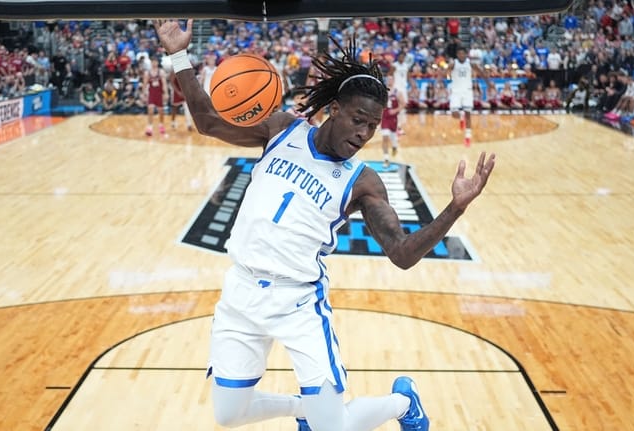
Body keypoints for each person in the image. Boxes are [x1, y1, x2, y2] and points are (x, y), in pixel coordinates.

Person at [155, 19, 495, 431]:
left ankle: (403, 404)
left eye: (372, 125)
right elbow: (208, 121)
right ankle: (306, 410)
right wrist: (178, 54)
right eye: (358, 119)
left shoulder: (362, 182)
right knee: (229, 414)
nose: (364, 133)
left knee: (333, 428)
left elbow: (402, 254)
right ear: (334, 108)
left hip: (299, 302)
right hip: (241, 292)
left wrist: (454, 208)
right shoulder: (282, 130)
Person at [446, 46, 490, 145]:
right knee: (454, 114)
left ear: (466, 54)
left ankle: (467, 137)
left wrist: (488, 83)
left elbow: (481, 73)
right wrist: (445, 76)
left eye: (463, 53)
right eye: (460, 54)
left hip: (467, 91)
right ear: (457, 55)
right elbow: (446, 72)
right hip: (456, 91)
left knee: (468, 114)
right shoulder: (453, 64)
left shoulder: (471, 64)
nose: (461, 55)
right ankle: (461, 116)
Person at [381, 74, 407, 169]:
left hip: (393, 118)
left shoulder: (397, 92)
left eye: (391, 79)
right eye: (388, 79)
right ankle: (386, 158)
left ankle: (395, 146)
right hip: (384, 117)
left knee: (393, 138)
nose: (389, 81)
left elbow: (403, 103)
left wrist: (395, 110)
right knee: (385, 137)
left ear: (394, 81)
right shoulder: (383, 92)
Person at [143, 57, 169, 136]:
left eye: (155, 62)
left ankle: (161, 125)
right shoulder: (147, 73)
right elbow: (145, 84)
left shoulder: (161, 72)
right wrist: (144, 94)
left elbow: (164, 83)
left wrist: (166, 93)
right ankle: (149, 127)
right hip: (151, 93)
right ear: (151, 62)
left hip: (159, 94)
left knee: (161, 111)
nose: (154, 63)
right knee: (150, 110)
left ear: (157, 63)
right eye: (153, 62)